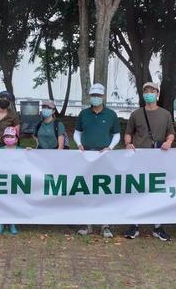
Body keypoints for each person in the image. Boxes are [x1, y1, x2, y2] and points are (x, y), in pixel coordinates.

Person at [123, 82, 175, 241]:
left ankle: (158, 227)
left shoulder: (165, 114)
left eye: (152, 91)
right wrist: (127, 143)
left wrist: (169, 142)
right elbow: (128, 133)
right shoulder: (136, 114)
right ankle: (135, 225)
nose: (148, 93)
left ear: (157, 94)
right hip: (139, 158)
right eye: (146, 91)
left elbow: (171, 133)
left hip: (158, 158)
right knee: (138, 191)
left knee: (157, 192)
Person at [73, 83, 120, 238]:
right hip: (86, 156)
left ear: (103, 97)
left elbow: (117, 135)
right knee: (87, 189)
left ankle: (105, 225)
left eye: (98, 96)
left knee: (103, 190)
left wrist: (110, 148)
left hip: (104, 157)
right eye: (93, 95)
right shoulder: (83, 114)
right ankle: (88, 223)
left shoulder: (111, 114)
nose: (95, 98)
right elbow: (77, 133)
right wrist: (79, 144)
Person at [0, 127, 21, 235]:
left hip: (15, 181)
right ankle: (1, 223)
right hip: (3, 180)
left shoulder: (21, 150)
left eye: (11, 136)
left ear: (16, 138)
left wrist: (29, 151)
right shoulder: (0, 150)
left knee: (13, 203)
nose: (9, 138)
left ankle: (12, 223)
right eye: (7, 136)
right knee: (2, 202)